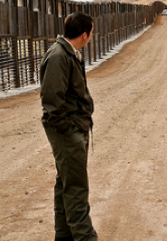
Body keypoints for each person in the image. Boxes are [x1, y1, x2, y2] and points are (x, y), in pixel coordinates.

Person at [40, 12, 97, 241]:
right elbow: (52, 102)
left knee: (65, 184)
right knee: (76, 189)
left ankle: (63, 237)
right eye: (92, 33)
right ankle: (85, 238)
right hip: (67, 132)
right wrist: (70, 130)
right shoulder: (59, 56)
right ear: (85, 34)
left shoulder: (68, 53)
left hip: (72, 129)